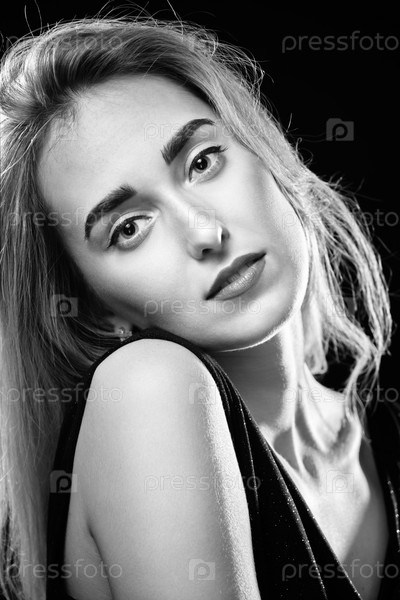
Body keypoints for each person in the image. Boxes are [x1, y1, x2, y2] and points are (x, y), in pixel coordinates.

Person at [0, 12, 396, 600]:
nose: (205, 233)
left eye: (202, 162)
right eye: (129, 228)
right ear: (93, 307)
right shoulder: (149, 388)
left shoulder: (377, 432)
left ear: (266, 151)